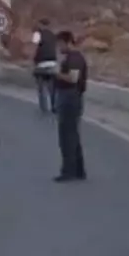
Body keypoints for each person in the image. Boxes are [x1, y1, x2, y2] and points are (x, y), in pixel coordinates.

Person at [54, 30, 88, 182]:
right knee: (73, 134)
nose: (59, 48)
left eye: (60, 44)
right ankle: (79, 170)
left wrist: (56, 73)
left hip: (70, 98)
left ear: (67, 42)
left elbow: (73, 78)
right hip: (71, 98)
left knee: (67, 136)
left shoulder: (74, 58)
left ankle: (68, 171)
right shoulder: (73, 57)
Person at [32, 18, 59, 114]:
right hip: (52, 62)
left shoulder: (37, 34)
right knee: (52, 87)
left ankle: (44, 108)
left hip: (41, 63)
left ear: (40, 24)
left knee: (41, 87)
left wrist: (31, 61)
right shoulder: (53, 35)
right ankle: (54, 106)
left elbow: (34, 48)